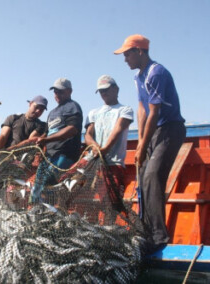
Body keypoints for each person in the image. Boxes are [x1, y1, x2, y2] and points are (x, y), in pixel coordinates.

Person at [114, 34, 186, 252]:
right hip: (154, 132)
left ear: (140, 51)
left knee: (153, 175)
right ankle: (145, 231)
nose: (125, 59)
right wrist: (140, 142)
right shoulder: (138, 77)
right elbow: (142, 109)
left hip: (170, 129)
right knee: (143, 176)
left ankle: (159, 237)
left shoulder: (157, 73)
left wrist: (144, 146)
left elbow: (155, 112)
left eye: (127, 54)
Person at [84, 75, 134, 218]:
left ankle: (109, 228)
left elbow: (118, 129)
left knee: (110, 202)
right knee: (68, 183)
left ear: (116, 89)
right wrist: (95, 147)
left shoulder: (125, 110)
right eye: (100, 91)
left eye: (106, 90)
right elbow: (88, 135)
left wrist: (105, 149)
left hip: (113, 163)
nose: (103, 93)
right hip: (92, 161)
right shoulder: (93, 112)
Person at [30, 78, 83, 203]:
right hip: (48, 156)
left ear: (69, 91)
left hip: (64, 155)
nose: (57, 95)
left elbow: (72, 129)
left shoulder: (72, 107)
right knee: (36, 187)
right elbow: (47, 133)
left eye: (60, 91)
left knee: (48, 185)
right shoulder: (52, 112)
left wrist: (47, 139)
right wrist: (41, 142)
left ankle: (48, 215)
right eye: (55, 92)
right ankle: (34, 212)